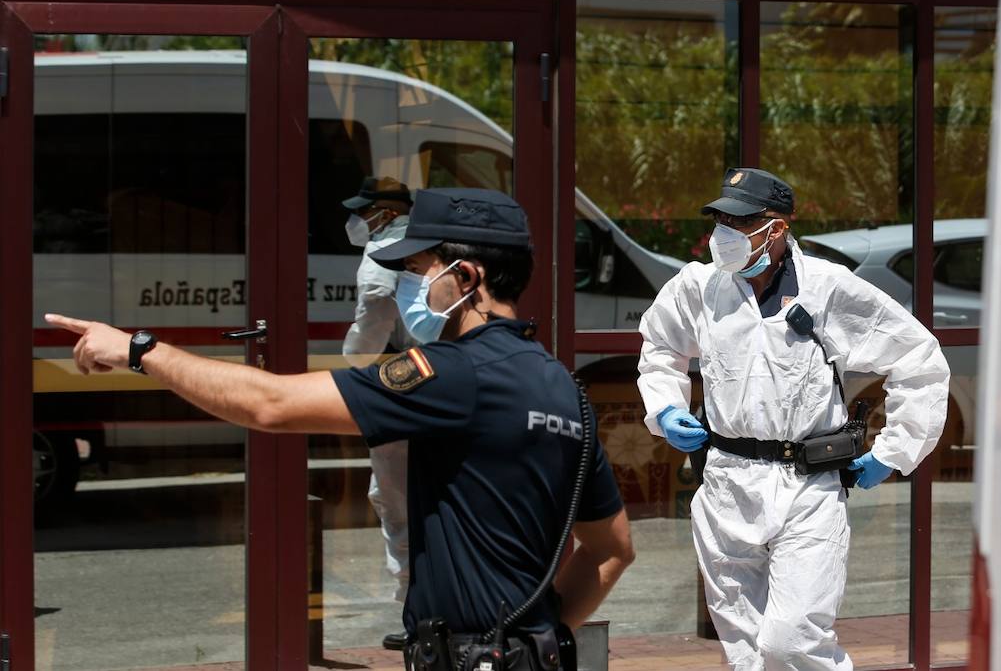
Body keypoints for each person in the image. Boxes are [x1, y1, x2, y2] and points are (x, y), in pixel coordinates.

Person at [49, 187, 635, 669]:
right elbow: (612, 549)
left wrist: (140, 350)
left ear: (466, 277)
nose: (411, 285)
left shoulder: (454, 375)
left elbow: (270, 405)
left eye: (418, 269)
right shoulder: (561, 387)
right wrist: (545, 637)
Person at [637, 168, 949, 671]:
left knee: (792, 642)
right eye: (719, 221)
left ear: (777, 228)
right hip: (726, 483)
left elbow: (918, 358)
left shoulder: (827, 289)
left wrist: (894, 452)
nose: (724, 235)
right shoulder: (698, 287)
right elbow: (660, 348)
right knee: (746, 650)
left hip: (808, 485)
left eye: (738, 224)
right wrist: (665, 408)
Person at [340, 175, 417, 648]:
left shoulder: (381, 254)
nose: (355, 221)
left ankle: (417, 613)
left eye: (363, 211)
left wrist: (351, 363)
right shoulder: (431, 242)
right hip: (440, 379)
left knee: (394, 500)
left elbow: (372, 318)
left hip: (399, 385)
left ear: (384, 214)